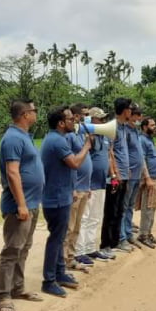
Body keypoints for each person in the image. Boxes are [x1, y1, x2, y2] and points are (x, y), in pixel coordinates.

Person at [0, 99, 45, 311]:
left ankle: (17, 287)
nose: (36, 113)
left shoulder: (24, 136)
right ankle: (2, 296)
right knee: (12, 249)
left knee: (24, 248)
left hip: (32, 202)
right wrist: (21, 204)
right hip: (20, 205)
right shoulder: (13, 138)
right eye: (34, 110)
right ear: (25, 114)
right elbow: (12, 172)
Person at [40, 106, 91, 297]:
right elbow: (75, 163)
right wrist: (86, 146)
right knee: (56, 239)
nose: (74, 121)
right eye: (70, 119)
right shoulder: (57, 141)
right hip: (56, 198)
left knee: (60, 237)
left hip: (61, 195)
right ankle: (49, 280)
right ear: (61, 123)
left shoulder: (56, 139)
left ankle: (60, 273)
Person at [76, 107, 115, 264]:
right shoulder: (86, 136)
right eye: (100, 119)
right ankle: (80, 250)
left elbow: (108, 156)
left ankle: (91, 248)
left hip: (100, 182)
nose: (104, 121)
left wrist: (112, 175)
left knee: (95, 217)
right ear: (91, 120)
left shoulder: (105, 137)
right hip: (89, 184)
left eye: (104, 118)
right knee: (84, 217)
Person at [100, 98, 133, 256]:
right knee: (111, 211)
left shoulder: (124, 127)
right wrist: (115, 174)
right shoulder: (112, 127)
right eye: (129, 109)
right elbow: (109, 151)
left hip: (124, 175)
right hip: (115, 176)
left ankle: (116, 242)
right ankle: (106, 243)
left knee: (120, 209)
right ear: (124, 110)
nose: (131, 112)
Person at [67, 104, 93, 272]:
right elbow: (70, 162)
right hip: (76, 189)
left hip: (84, 187)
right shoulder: (69, 137)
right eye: (83, 115)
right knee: (69, 227)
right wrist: (73, 187)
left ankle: (71, 257)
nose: (86, 118)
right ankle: (64, 260)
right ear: (76, 116)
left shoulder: (79, 135)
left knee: (76, 227)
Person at [120, 105, 145, 250]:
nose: (139, 119)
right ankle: (122, 236)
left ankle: (128, 233)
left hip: (137, 174)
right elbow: (123, 152)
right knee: (124, 206)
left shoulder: (135, 131)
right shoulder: (126, 132)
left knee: (130, 206)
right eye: (137, 116)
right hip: (129, 174)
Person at [137, 117, 156, 248]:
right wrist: (147, 178)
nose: (154, 127)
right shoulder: (142, 140)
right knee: (147, 207)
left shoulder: (150, 139)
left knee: (152, 207)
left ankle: (148, 232)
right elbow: (142, 160)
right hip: (150, 178)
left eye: (154, 124)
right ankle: (143, 235)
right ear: (144, 127)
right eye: (152, 125)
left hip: (154, 177)